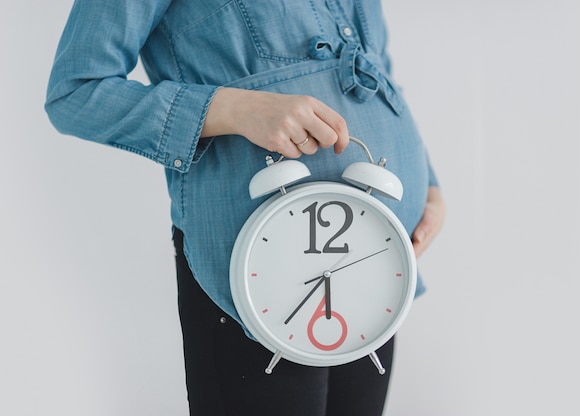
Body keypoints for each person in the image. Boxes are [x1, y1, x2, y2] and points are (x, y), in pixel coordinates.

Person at [46, 1, 445, 415]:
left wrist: (426, 179)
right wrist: (233, 107)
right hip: (253, 276)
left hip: (372, 266)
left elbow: (375, 66)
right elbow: (75, 91)